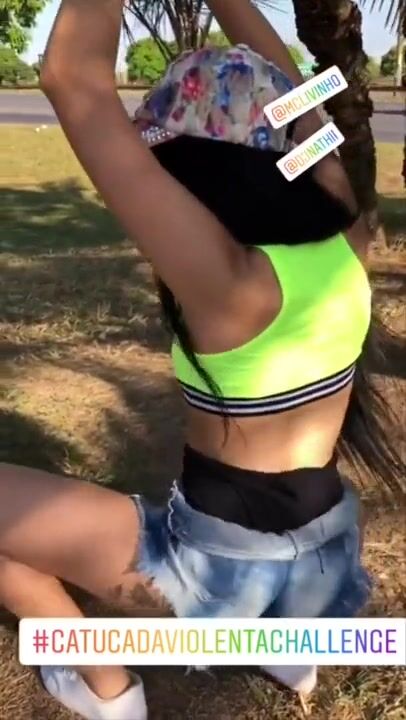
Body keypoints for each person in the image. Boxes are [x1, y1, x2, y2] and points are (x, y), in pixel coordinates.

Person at [0, 1, 403, 719]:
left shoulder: (231, 284)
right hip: (327, 560)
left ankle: (110, 691)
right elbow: (300, 93)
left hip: (214, 584)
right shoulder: (347, 227)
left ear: (198, 176)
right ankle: (286, 645)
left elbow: (71, 77)